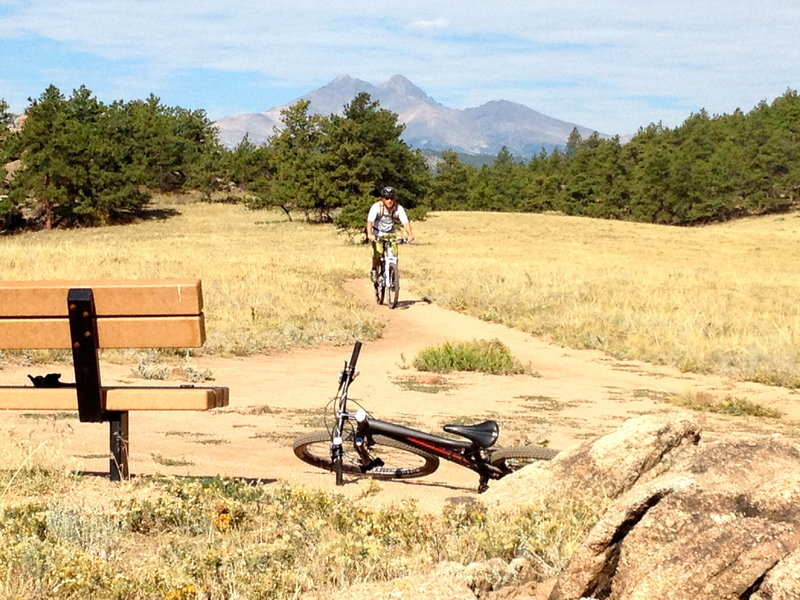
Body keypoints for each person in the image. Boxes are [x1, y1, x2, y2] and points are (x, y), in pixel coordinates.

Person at [366, 186, 415, 281]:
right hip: (378, 233)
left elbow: (405, 222)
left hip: (390, 233)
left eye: (391, 198)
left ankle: (393, 274)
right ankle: (374, 269)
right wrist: (370, 234)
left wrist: (410, 234)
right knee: (378, 253)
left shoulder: (398, 208)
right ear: (382, 199)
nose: (389, 201)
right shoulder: (376, 207)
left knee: (394, 255)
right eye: (387, 198)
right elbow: (370, 221)